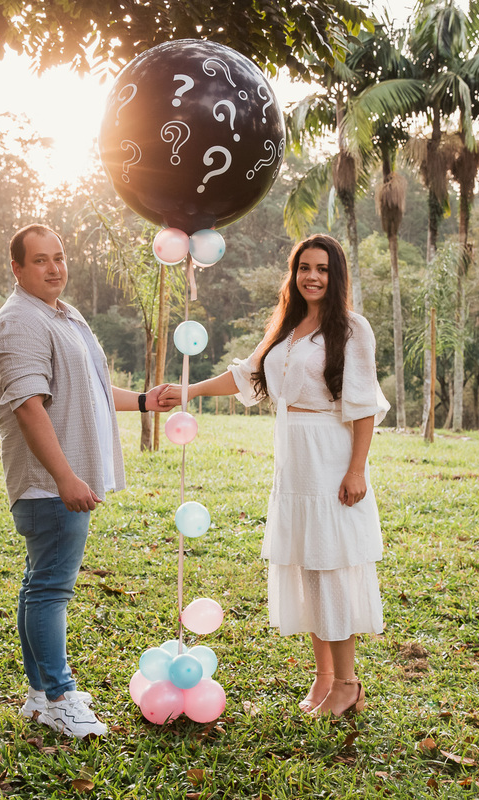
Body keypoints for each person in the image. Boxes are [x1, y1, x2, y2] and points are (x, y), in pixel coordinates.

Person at [164, 233, 388, 716]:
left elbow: (364, 404)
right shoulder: (286, 328)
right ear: (294, 273)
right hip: (294, 461)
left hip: (331, 454)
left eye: (322, 268)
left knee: (328, 566)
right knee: (308, 566)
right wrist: (188, 391)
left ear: (336, 275)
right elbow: (247, 377)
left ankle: (349, 684)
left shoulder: (352, 329)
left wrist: (356, 469)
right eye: (304, 267)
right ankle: (324, 676)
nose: (312, 276)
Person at [0, 223, 173, 738]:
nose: (54, 268)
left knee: (38, 585)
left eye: (60, 257)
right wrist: (65, 477)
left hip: (58, 481)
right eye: (41, 260)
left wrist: (142, 400)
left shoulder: (61, 314)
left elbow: (86, 385)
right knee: (50, 589)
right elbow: (28, 406)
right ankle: (62, 697)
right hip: (47, 484)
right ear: (17, 268)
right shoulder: (19, 322)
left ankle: (41, 695)